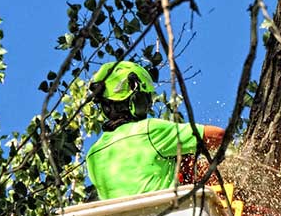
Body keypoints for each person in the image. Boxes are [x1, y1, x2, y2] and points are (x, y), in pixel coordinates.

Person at [86, 61, 225, 200]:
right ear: (136, 97)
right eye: (146, 99)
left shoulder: (93, 155)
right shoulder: (149, 130)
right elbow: (218, 135)